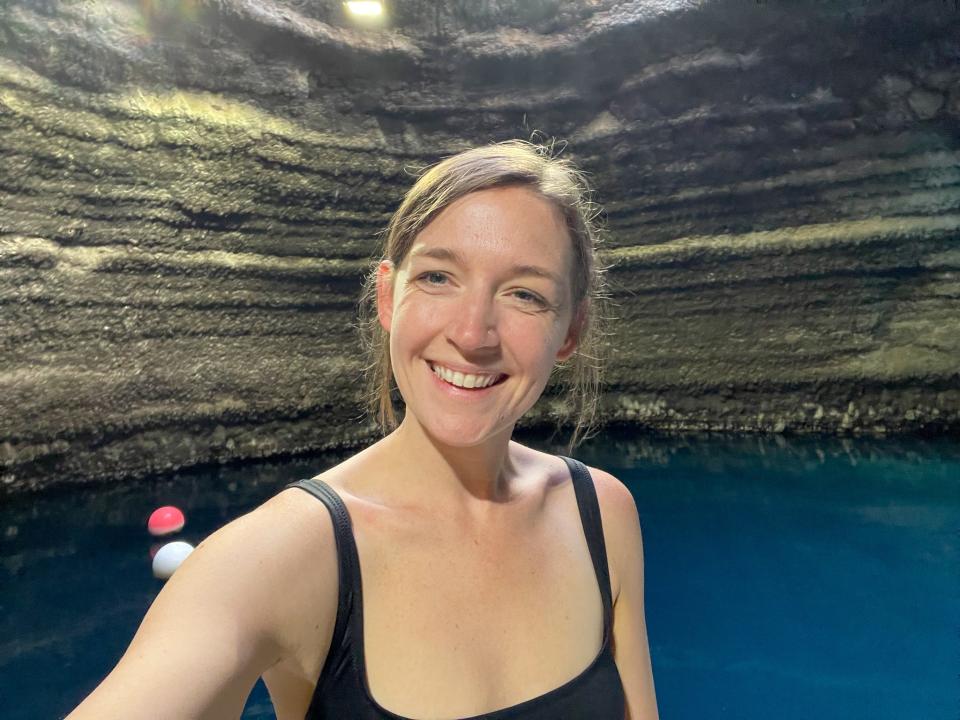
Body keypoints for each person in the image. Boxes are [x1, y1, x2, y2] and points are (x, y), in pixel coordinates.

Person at [68, 140, 660, 720]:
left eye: (524, 294)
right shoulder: (283, 556)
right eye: (437, 277)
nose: (473, 333)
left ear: (571, 330)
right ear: (387, 296)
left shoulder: (602, 515)